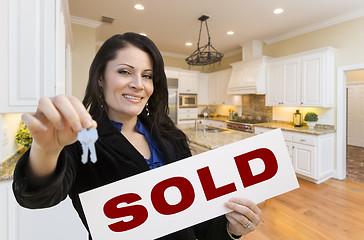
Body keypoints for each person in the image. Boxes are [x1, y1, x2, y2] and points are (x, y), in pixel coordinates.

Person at [12, 33, 261, 240]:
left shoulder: (170, 138)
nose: (138, 84)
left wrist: (232, 230)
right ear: (100, 78)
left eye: (147, 75)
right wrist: (46, 149)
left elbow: (199, 221)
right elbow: (35, 197)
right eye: (124, 71)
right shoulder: (79, 141)